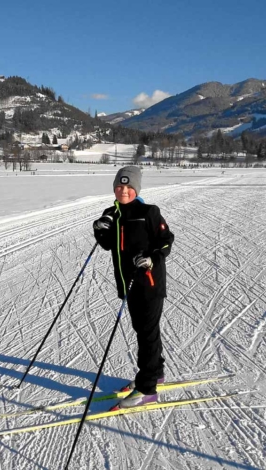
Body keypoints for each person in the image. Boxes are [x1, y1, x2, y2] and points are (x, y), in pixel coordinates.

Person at [92, 166, 175, 408]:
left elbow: (166, 241)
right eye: (119, 186)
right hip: (128, 284)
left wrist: (151, 258)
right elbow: (108, 245)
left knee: (146, 334)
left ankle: (147, 388)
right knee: (144, 330)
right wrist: (99, 230)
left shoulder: (149, 212)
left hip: (149, 284)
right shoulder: (112, 213)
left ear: (136, 188)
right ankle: (155, 373)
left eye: (129, 187)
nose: (123, 190)